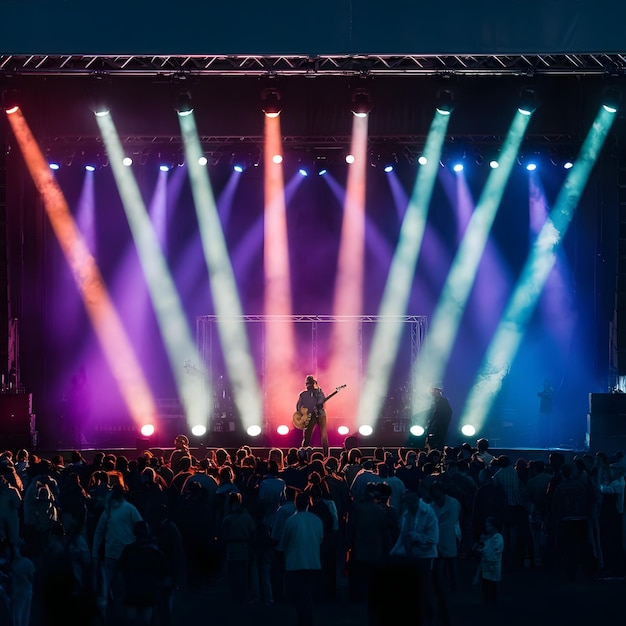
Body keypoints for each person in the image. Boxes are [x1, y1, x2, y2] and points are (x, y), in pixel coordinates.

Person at [296, 375, 329, 457]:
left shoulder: (319, 393)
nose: (308, 385)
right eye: (307, 383)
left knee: (324, 436)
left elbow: (322, 402)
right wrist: (302, 415)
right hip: (309, 416)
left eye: (310, 383)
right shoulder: (303, 394)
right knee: (307, 436)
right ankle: (303, 456)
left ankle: (326, 456)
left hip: (320, 415)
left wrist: (317, 390)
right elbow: (299, 406)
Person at [425, 385, 453, 451]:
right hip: (435, 424)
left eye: (435, 391)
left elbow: (449, 412)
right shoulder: (433, 402)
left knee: (439, 439)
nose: (434, 393)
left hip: (441, 425)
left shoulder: (444, 401)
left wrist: (443, 422)